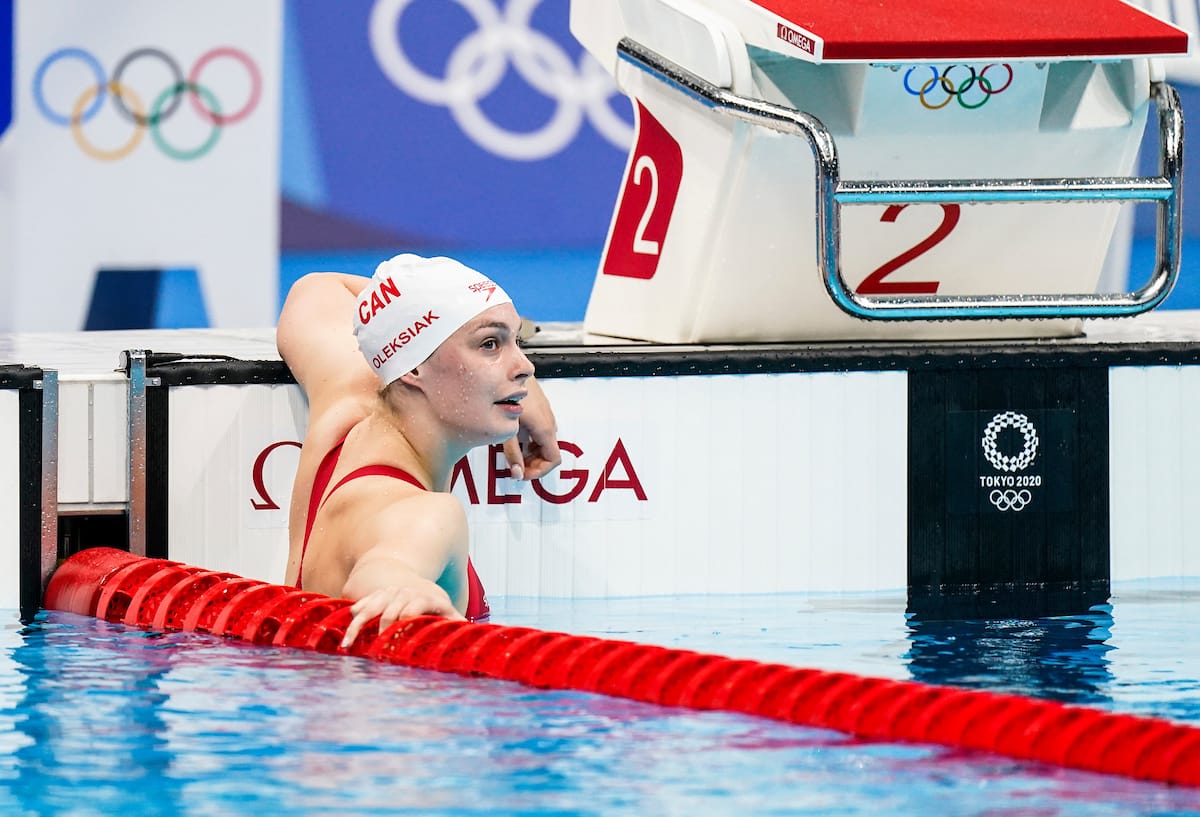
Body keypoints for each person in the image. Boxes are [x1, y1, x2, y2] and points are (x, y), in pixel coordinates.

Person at [276, 254, 562, 647]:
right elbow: (383, 571)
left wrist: (504, 378)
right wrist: (407, 587)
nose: (526, 367)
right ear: (412, 368)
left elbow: (316, 288)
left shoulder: (345, 403)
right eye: (490, 344)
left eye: (517, 341)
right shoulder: (429, 515)